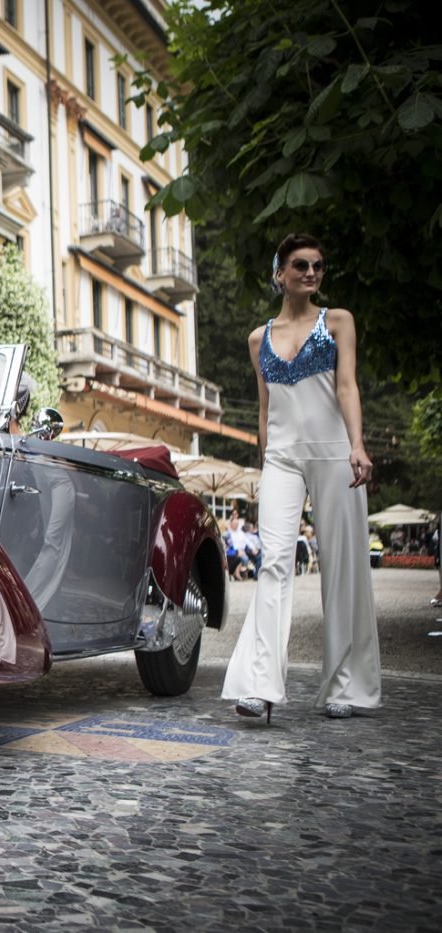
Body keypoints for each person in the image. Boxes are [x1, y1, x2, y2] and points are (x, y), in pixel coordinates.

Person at [222, 233, 379, 722]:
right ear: (280, 273)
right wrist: (266, 463)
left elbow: (347, 386)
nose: (311, 272)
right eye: (300, 265)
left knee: (343, 564)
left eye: (318, 265)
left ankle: (347, 687)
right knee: (273, 563)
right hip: (283, 459)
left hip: (335, 453)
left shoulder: (338, 322)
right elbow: (266, 409)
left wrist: (357, 444)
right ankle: (258, 684)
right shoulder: (258, 338)